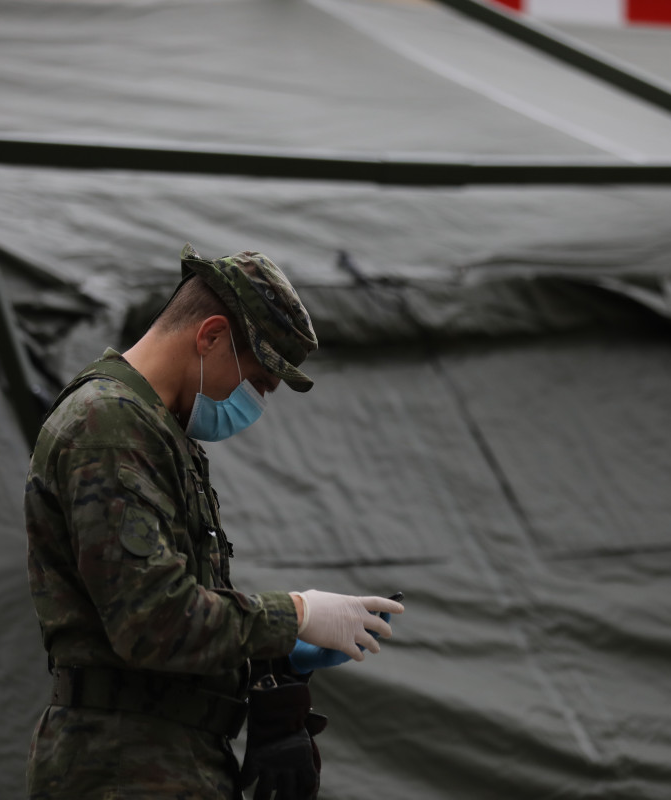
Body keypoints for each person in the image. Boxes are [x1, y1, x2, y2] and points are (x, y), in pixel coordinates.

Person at [23, 243, 404, 799]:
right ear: (210, 337)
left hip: (166, 759)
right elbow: (151, 620)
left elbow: (173, 607)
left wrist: (273, 663)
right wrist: (294, 616)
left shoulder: (159, 433)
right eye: (257, 382)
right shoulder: (107, 425)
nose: (254, 404)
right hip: (120, 771)